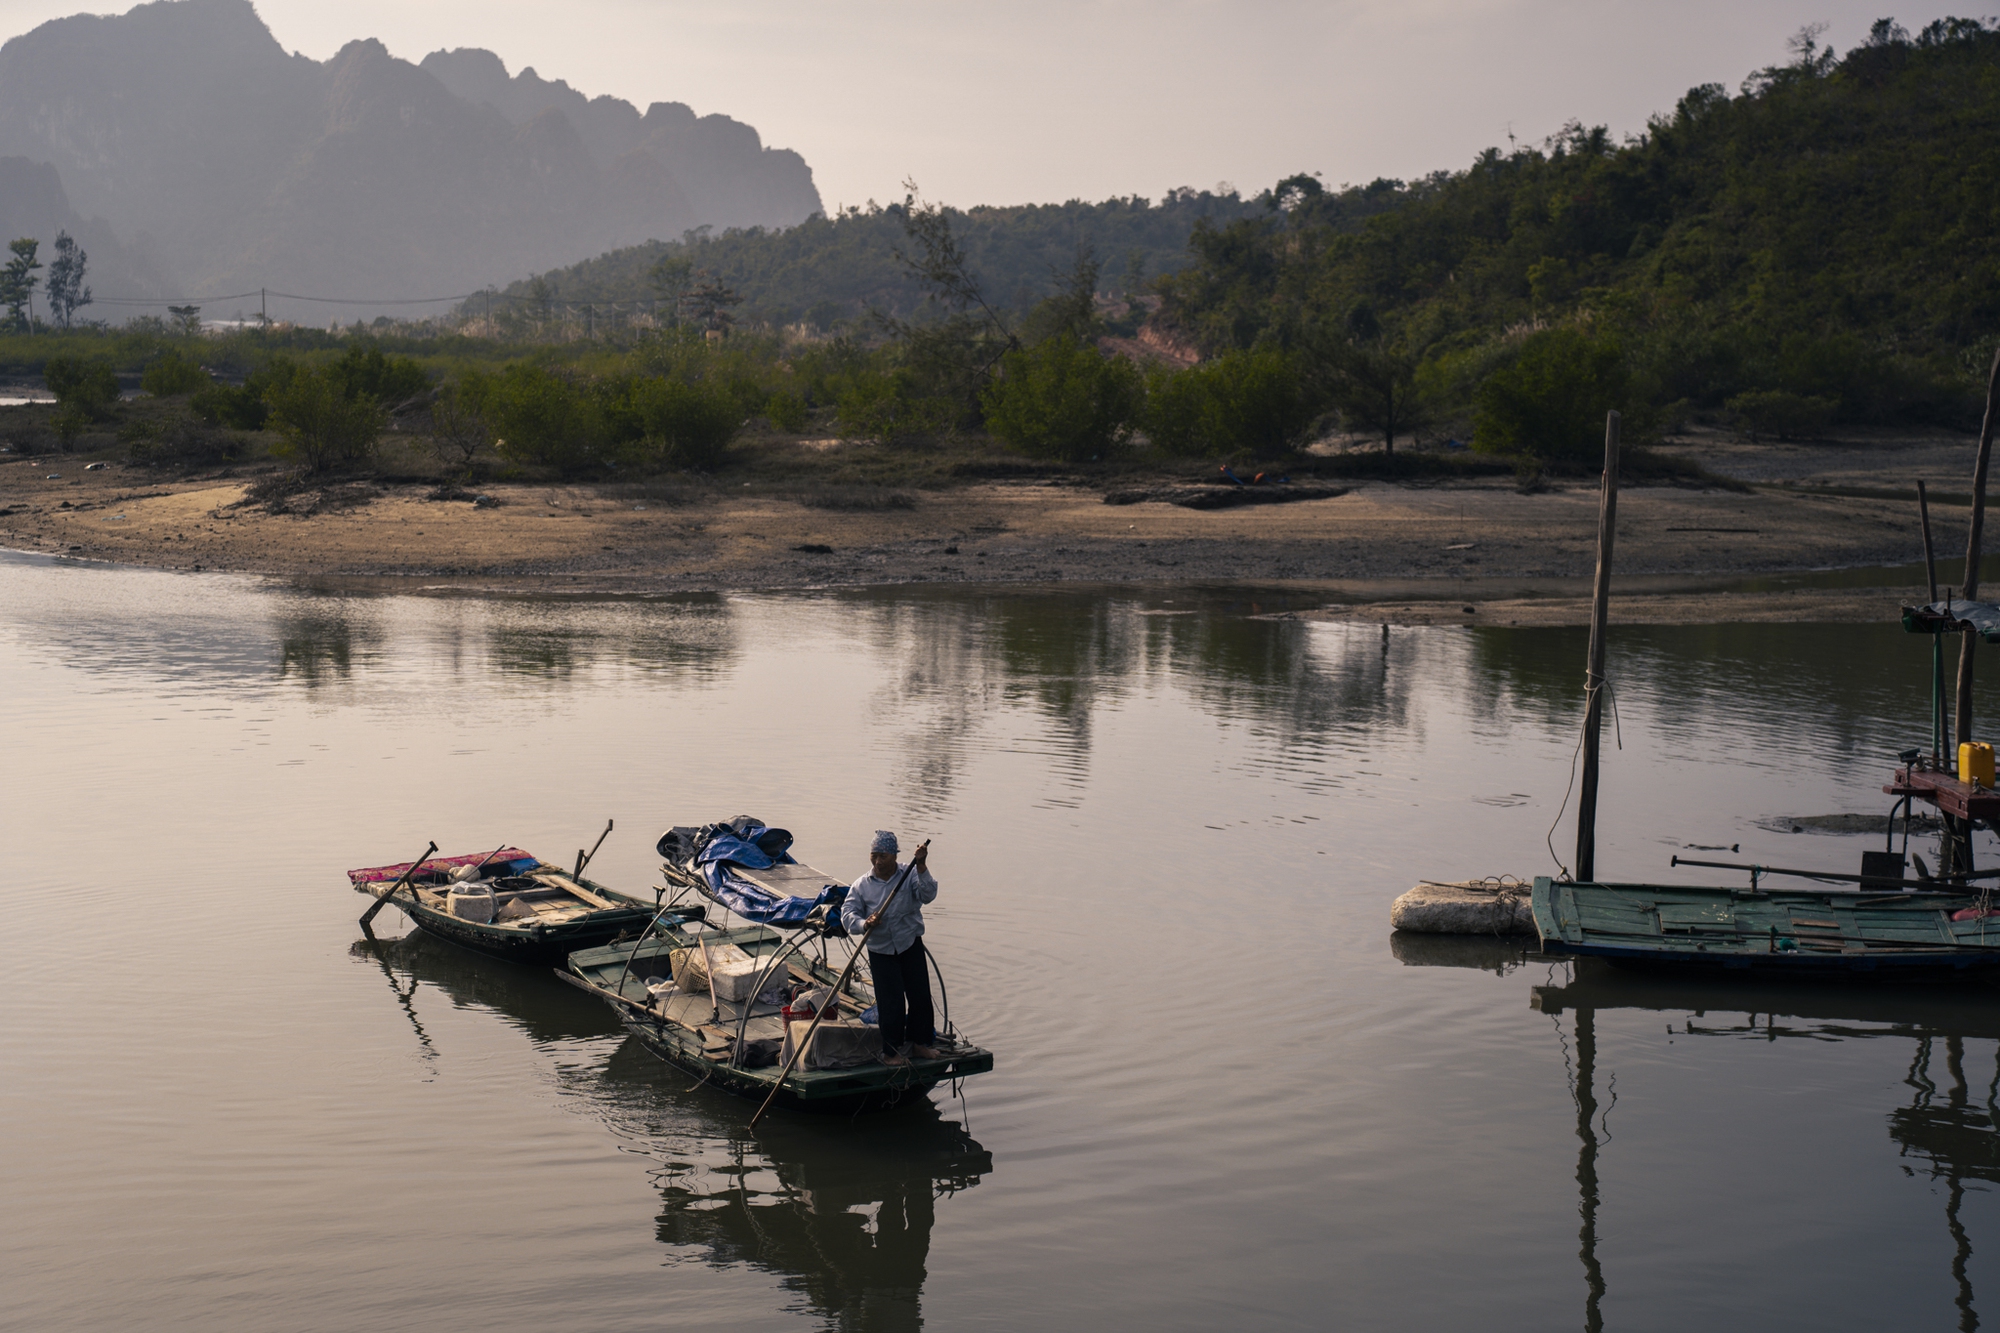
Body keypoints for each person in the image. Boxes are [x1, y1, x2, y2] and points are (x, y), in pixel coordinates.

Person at [840, 830, 940, 1066]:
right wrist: (865, 923)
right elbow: (847, 915)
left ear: (894, 856)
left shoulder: (910, 874)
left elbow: (929, 894)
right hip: (881, 950)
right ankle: (891, 1052)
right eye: (873, 856)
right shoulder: (862, 885)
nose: (877, 861)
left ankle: (919, 1044)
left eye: (882, 856)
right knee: (891, 1002)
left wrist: (922, 865)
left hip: (909, 943)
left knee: (920, 997)